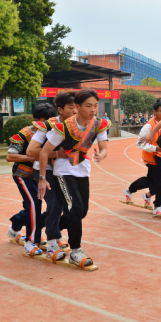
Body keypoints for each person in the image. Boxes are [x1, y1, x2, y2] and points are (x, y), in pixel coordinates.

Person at [36, 89, 109, 269]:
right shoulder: (63, 127)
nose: (93, 110)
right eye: (88, 106)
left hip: (83, 170)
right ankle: (76, 251)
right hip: (63, 171)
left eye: (95, 106)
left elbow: (104, 147)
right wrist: (42, 178)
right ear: (77, 107)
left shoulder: (99, 124)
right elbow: (44, 152)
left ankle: (51, 227)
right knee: (74, 209)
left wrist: (102, 155)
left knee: (81, 212)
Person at [6, 101, 60, 256]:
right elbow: (10, 157)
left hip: (43, 175)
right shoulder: (25, 133)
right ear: (36, 120)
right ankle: (31, 241)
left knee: (52, 203)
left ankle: (15, 227)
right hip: (23, 175)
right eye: (44, 122)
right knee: (34, 202)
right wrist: (33, 156)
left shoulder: (55, 132)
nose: (47, 125)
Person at [125, 98, 161, 214]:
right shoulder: (149, 126)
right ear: (155, 112)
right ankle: (160, 204)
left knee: (151, 180)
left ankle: (131, 191)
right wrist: (156, 148)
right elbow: (140, 144)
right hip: (151, 158)